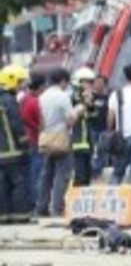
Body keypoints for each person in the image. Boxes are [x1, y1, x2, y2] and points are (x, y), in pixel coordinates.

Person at [35, 68, 76, 218]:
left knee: (46, 174)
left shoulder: (42, 96)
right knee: (62, 174)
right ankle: (57, 208)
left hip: (46, 139)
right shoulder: (62, 96)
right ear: (63, 81)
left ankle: (41, 207)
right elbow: (71, 119)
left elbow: (40, 119)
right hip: (61, 138)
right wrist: (78, 111)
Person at [0, 64, 32, 223]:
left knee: (3, 185)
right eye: (20, 82)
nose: (21, 86)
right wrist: (26, 144)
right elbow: (17, 125)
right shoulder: (9, 100)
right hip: (13, 151)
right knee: (19, 184)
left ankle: (3, 217)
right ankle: (21, 216)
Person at [69, 68, 101, 187]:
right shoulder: (74, 96)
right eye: (88, 82)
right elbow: (74, 114)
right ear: (79, 81)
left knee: (87, 176)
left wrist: (91, 104)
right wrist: (86, 101)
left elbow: (94, 117)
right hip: (77, 142)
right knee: (80, 177)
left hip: (87, 142)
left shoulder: (88, 97)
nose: (91, 85)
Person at [21, 72, 45, 198]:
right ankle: (35, 200)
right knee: (37, 172)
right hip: (36, 140)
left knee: (30, 172)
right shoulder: (35, 102)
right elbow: (41, 123)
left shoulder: (23, 99)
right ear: (41, 87)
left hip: (26, 140)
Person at [88, 73, 110, 179]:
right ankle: (92, 170)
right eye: (96, 83)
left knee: (102, 150)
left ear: (105, 85)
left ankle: (98, 170)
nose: (97, 85)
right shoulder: (90, 97)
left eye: (100, 83)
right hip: (92, 127)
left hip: (103, 128)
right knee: (92, 150)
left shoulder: (108, 98)